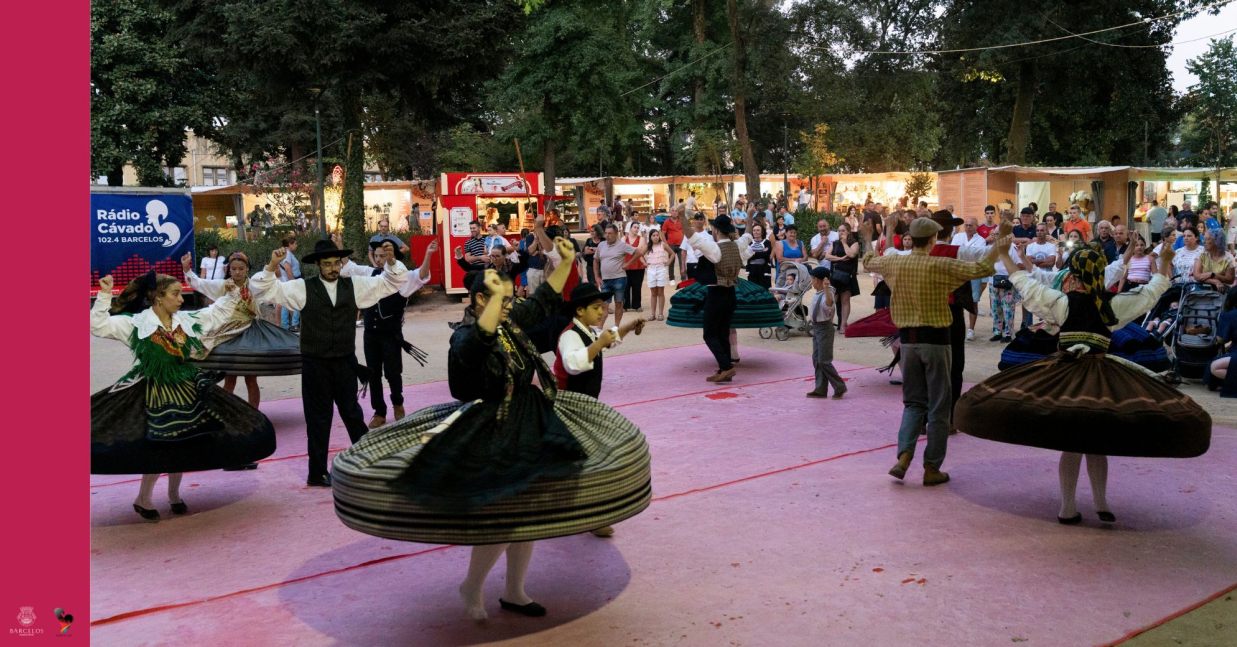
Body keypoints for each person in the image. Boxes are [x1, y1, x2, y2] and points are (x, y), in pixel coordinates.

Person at [330, 241, 652, 620]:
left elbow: (542, 302)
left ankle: (514, 590)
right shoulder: (466, 335)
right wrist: (498, 304)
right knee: (505, 515)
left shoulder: (509, 323)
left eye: (510, 298)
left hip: (529, 419)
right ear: (481, 301)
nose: (512, 304)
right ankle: (472, 585)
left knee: (526, 515)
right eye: (503, 298)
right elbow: (474, 349)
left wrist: (565, 262)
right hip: (491, 428)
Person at [956, 242, 1210, 524]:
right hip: (1100, 379)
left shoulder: (1064, 302)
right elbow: (1152, 291)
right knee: (1096, 441)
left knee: (1073, 441)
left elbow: (1025, 284)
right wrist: (1164, 262)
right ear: (1100, 273)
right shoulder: (1111, 305)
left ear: (1073, 275)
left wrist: (1005, 254)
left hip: (1067, 377)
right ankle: (1100, 503)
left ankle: (1069, 507)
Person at [90, 273, 276, 521]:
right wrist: (104, 295)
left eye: (180, 294)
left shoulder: (186, 321)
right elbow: (98, 325)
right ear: (158, 297)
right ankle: (143, 498)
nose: (180, 299)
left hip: (187, 386)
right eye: (175, 294)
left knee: (183, 442)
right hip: (154, 391)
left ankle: (174, 494)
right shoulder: (136, 324)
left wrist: (232, 292)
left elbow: (217, 314)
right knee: (161, 444)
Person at [250, 238, 409, 487]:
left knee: (353, 414)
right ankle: (317, 473)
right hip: (315, 364)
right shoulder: (303, 288)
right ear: (317, 265)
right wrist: (271, 265)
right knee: (318, 419)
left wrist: (390, 261)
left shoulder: (354, 285)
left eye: (336, 263)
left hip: (345, 362)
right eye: (327, 264)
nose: (333, 268)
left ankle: (368, 466)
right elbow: (265, 290)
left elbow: (390, 283)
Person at [859, 217, 1004, 486]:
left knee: (913, 403)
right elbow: (983, 267)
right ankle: (931, 467)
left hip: (907, 342)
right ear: (933, 240)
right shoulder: (940, 264)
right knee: (938, 406)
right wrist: (1000, 244)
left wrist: (868, 237)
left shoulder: (895, 262)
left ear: (912, 238)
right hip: (936, 342)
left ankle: (904, 456)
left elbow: (868, 260)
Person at [183, 251, 301, 430]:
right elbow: (200, 283)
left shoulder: (253, 285)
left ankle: (253, 415)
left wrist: (273, 268)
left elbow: (269, 280)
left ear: (247, 269)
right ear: (229, 269)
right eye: (234, 269)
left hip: (251, 334)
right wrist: (187, 270)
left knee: (251, 378)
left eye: (241, 268)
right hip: (229, 334)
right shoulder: (222, 285)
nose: (237, 272)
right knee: (229, 378)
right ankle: (224, 415)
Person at [351, 239, 438, 429]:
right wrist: (339, 249)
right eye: (377, 256)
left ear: (393, 257)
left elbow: (422, 274)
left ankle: (397, 403)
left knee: (393, 372)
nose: (378, 259)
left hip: (391, 335)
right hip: (370, 334)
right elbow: (349, 268)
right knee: (373, 373)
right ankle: (379, 412)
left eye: (383, 255)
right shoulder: (370, 273)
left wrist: (428, 254)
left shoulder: (404, 278)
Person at [677, 208, 744, 382]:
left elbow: (691, 236)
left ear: (715, 230)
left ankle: (726, 367)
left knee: (709, 334)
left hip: (716, 294)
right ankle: (724, 369)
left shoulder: (715, 248)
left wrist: (682, 216)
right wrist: (750, 217)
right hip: (731, 294)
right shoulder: (737, 246)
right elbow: (749, 236)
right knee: (722, 333)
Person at [593, 223, 646, 329]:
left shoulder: (622, 245)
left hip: (619, 279)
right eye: (606, 233)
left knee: (618, 303)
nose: (607, 236)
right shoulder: (601, 245)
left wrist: (628, 264)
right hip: (604, 280)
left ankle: (616, 327)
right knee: (604, 305)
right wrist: (597, 277)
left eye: (610, 233)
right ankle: (599, 328)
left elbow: (639, 252)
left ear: (616, 234)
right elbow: (596, 260)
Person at [805, 266, 846, 399]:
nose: (812, 281)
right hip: (817, 327)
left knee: (824, 360)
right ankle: (820, 389)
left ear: (817, 280)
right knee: (817, 359)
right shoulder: (818, 292)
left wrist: (827, 289)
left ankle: (839, 386)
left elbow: (828, 305)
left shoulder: (828, 291)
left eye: (812, 278)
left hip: (824, 328)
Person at [953, 218, 987, 339]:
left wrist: (964, 253)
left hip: (973, 274)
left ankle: (971, 329)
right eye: (966, 225)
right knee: (957, 301)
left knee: (973, 302)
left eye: (970, 225)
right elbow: (954, 253)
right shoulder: (957, 237)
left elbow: (979, 257)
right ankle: (957, 326)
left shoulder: (981, 240)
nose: (968, 227)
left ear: (976, 226)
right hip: (958, 273)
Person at [824, 223, 861, 332]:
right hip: (835, 275)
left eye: (843, 231)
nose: (840, 233)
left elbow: (851, 254)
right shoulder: (834, 243)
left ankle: (843, 325)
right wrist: (840, 259)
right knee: (832, 300)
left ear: (848, 231)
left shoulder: (854, 243)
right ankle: (829, 324)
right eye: (839, 231)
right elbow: (827, 256)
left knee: (845, 300)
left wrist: (844, 243)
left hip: (847, 276)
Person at [642, 229, 675, 320]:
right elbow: (640, 254)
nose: (656, 237)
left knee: (661, 292)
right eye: (653, 235)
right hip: (651, 269)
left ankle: (660, 313)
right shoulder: (648, 246)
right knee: (653, 292)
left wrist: (668, 262)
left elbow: (672, 253)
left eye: (657, 235)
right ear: (650, 237)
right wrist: (644, 262)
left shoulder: (663, 245)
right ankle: (652, 314)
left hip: (661, 269)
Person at [279, 236, 303, 331]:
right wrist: (293, 281)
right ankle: (295, 324)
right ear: (289, 244)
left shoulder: (285, 253)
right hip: (291, 280)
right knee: (297, 301)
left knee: (286, 303)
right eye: (295, 243)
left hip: (286, 281)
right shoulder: (288, 254)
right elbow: (287, 268)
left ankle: (285, 325)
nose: (296, 245)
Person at [622, 226, 646, 312]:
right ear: (630, 228)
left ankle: (637, 305)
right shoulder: (624, 238)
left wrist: (629, 248)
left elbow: (639, 250)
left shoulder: (641, 238)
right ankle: (625, 305)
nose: (636, 229)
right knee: (625, 286)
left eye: (638, 228)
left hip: (638, 265)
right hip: (626, 264)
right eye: (634, 227)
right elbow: (623, 248)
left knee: (637, 286)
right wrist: (634, 249)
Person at [746, 223, 774, 289]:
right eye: (754, 230)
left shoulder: (767, 242)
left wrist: (754, 253)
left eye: (758, 230)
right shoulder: (749, 242)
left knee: (765, 289)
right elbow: (747, 255)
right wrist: (761, 253)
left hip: (764, 269)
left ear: (762, 232)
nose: (756, 232)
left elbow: (766, 254)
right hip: (752, 270)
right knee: (753, 290)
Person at [662, 208, 685, 280]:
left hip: (681, 245)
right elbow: (662, 233)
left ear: (678, 212)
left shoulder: (682, 221)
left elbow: (685, 231)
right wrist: (665, 243)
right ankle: (671, 278)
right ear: (670, 212)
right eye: (673, 211)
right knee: (671, 262)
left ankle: (683, 278)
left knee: (682, 262)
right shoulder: (667, 221)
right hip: (671, 245)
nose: (674, 212)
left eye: (676, 211)